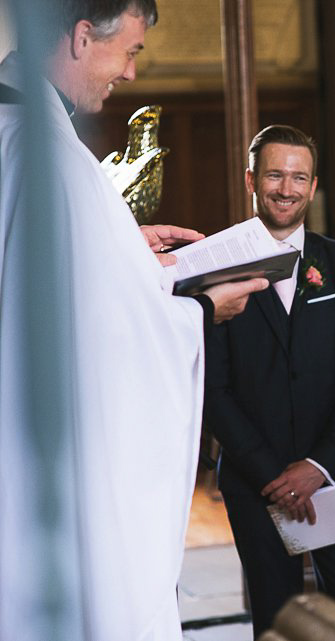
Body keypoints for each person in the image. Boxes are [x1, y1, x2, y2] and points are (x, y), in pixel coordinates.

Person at [0, 2, 264, 640]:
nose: (131, 73)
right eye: (132, 52)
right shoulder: (50, 158)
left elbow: (55, 278)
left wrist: (122, 242)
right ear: (83, 36)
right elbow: (100, 332)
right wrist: (201, 307)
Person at [203, 124, 335, 636]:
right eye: (275, 175)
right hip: (256, 480)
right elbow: (214, 388)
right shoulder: (217, 263)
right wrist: (272, 476)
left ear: (314, 184)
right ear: (251, 179)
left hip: (334, 473)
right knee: (275, 620)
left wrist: (317, 465)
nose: (286, 188)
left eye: (298, 177)